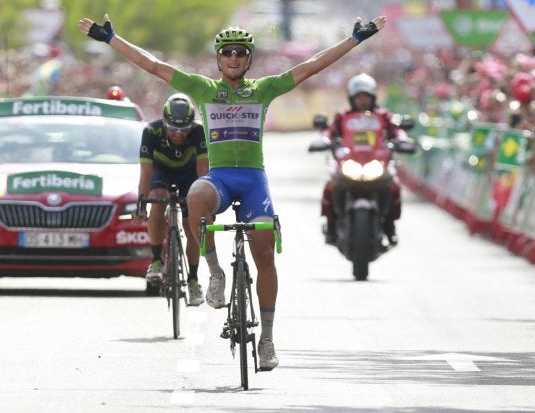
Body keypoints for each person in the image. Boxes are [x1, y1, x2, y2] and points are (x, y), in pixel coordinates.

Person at [79, 13, 386, 371]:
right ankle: (215, 272)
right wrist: (111, 39)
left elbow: (312, 66)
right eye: (227, 52)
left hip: (254, 181)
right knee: (195, 195)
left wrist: (354, 39)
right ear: (219, 58)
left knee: (265, 257)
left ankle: (267, 339)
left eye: (241, 52)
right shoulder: (204, 90)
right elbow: (155, 66)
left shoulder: (264, 90)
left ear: (249, 58)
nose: (234, 57)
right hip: (221, 179)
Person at [133, 93, 209, 306]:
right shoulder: (151, 131)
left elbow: (204, 172)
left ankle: (193, 280)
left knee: (192, 222)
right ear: (164, 122)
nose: (178, 134)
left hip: (189, 173)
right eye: (173, 129)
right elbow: (146, 173)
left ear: (191, 125)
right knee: (157, 199)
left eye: (183, 130)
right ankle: (156, 260)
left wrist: (205, 203)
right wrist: (141, 204)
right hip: (161, 172)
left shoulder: (198, 132)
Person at [321, 73, 406, 245]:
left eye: (366, 96)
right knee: (330, 186)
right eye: (358, 96)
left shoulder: (383, 115)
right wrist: (322, 140)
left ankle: (390, 225)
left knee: (394, 186)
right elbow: (329, 132)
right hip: (348, 163)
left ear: (373, 97)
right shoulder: (342, 116)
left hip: (377, 163)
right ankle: (331, 224)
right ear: (352, 98)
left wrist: (403, 140)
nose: (362, 100)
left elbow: (397, 131)